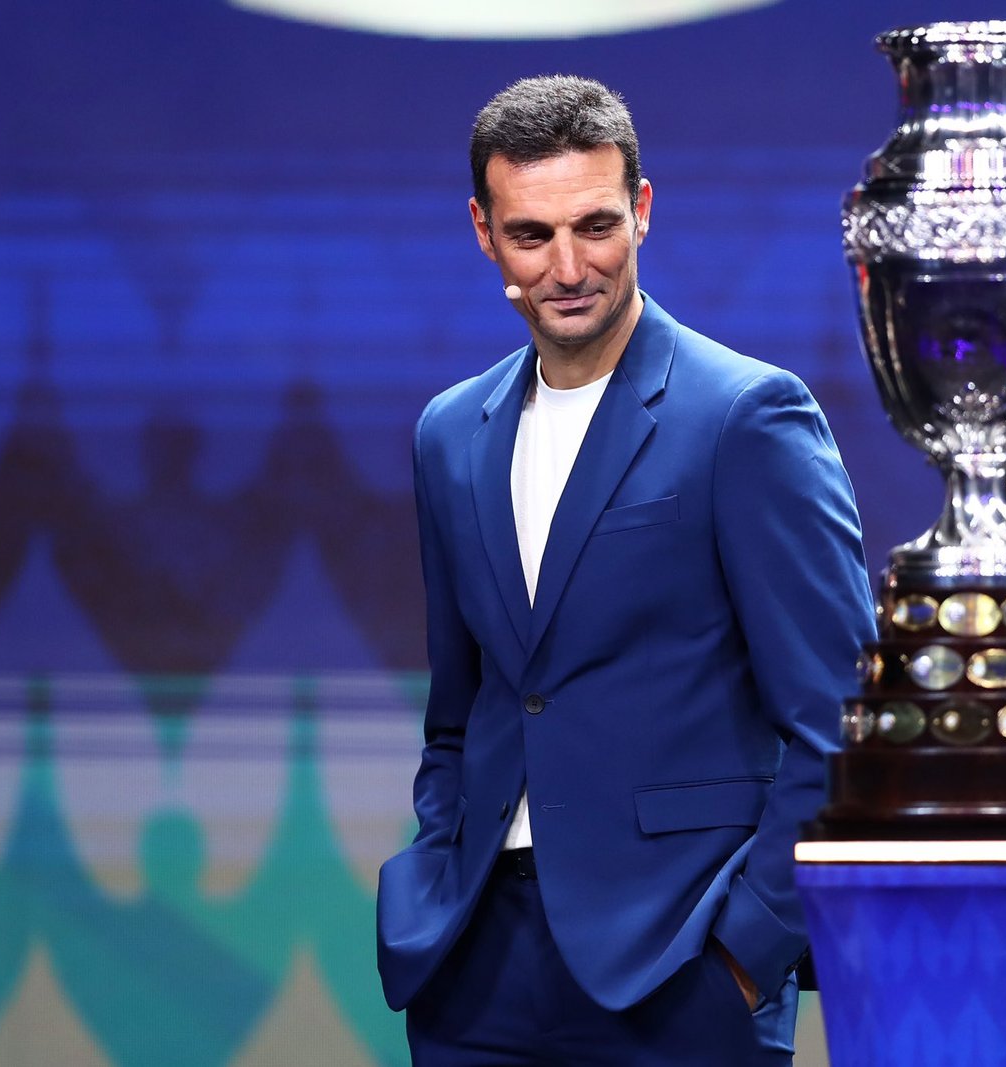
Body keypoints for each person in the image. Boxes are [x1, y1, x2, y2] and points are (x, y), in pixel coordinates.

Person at [375, 75, 876, 1065]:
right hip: (475, 965)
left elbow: (843, 719)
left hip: (677, 962)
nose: (568, 267)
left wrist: (746, 952)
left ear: (641, 209)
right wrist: (435, 872)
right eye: (531, 234)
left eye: (595, 225)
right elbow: (460, 710)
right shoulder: (449, 434)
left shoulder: (745, 416)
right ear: (483, 231)